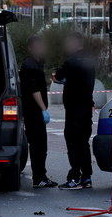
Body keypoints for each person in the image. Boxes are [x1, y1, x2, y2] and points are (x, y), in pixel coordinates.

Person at [54, 32, 96, 190]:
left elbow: (58, 77)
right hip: (86, 106)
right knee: (84, 142)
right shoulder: (90, 60)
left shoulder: (70, 61)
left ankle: (75, 177)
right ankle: (87, 177)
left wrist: (66, 79)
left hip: (73, 107)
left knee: (72, 141)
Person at [19, 35, 57, 188]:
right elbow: (34, 89)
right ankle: (39, 177)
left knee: (39, 145)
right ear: (30, 48)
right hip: (33, 111)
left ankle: (41, 175)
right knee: (38, 145)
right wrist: (43, 109)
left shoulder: (36, 63)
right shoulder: (30, 65)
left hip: (34, 110)